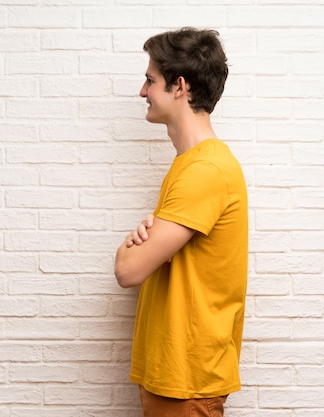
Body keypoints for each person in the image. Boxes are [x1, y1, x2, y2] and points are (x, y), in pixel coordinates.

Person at [114, 27, 248, 417]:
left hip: (186, 380)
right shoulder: (191, 165)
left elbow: (128, 270)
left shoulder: (204, 170)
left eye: (150, 80)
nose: (143, 91)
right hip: (175, 375)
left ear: (180, 87)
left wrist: (132, 245)